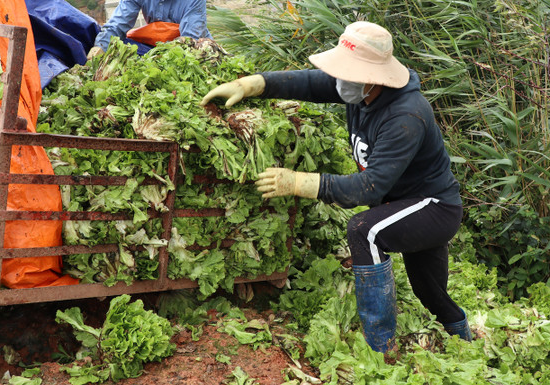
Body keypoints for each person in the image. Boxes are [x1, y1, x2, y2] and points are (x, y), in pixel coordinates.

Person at [200, 21, 473, 352]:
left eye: (348, 72)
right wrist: (252, 84)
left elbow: (368, 188)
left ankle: (380, 346)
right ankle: (464, 344)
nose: (340, 80)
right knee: (430, 293)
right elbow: (310, 84)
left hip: (432, 207)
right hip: (400, 207)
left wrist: (299, 182)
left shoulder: (405, 115)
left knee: (364, 230)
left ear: (374, 76)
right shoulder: (361, 90)